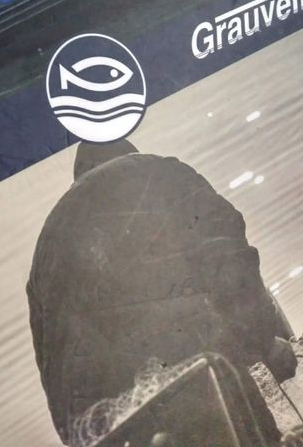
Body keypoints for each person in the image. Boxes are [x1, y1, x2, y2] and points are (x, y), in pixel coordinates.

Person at [27, 140, 297, 446]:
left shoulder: (44, 255)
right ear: (131, 153)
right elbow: (229, 261)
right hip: (197, 384)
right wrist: (263, 340)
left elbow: (53, 373)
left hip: (112, 424)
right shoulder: (160, 171)